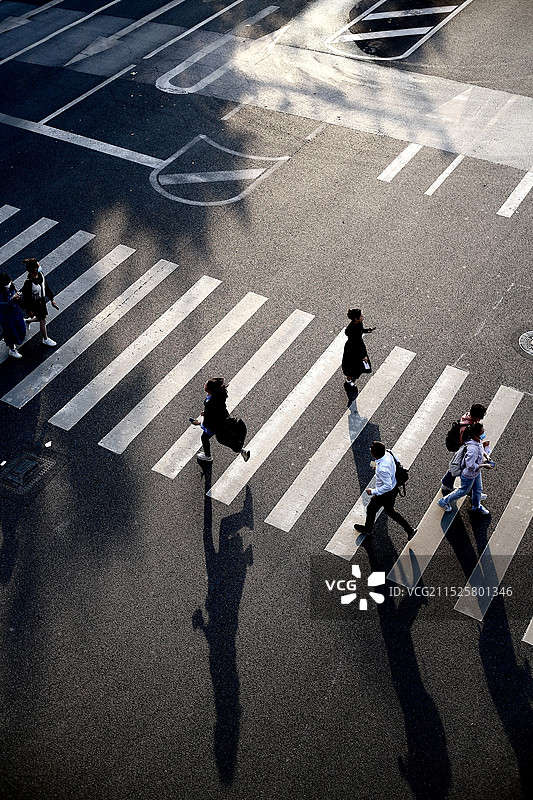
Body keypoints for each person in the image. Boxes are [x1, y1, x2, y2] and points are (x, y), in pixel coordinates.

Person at [353, 441, 416, 537]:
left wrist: (373, 491)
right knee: (390, 511)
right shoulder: (388, 453)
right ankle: (409, 530)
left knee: (371, 509)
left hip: (385, 494)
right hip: (394, 489)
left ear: (374, 454)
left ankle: (368, 529)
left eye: (371, 450)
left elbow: (388, 486)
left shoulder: (382, 469)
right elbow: (397, 462)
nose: (370, 450)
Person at [437, 422, 493, 515]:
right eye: (482, 432)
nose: (483, 434)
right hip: (468, 474)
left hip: (476, 472)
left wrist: (486, 456)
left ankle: (477, 506)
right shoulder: (472, 449)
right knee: (462, 492)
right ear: (476, 435)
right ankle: (443, 501)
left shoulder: (476, 441)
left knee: (478, 489)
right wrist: (484, 465)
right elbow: (470, 466)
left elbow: (481, 449)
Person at [191, 378, 250, 463]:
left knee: (204, 437)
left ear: (209, 389)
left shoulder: (210, 403)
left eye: (206, 384)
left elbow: (207, 423)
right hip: (222, 419)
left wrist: (199, 423)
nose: (204, 385)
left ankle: (207, 456)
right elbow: (216, 410)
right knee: (228, 437)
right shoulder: (218, 396)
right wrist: (206, 412)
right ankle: (241, 450)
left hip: (215, 424)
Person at [441, 403, 490, 492]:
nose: (480, 419)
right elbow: (467, 441)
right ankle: (473, 492)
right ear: (476, 416)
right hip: (464, 449)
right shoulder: (468, 427)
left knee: (456, 465)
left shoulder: (468, 417)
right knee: (464, 468)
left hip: (464, 448)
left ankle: (446, 483)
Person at [21, 258, 58, 347]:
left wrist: (52, 299)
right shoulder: (28, 283)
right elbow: (27, 298)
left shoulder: (41, 275)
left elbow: (46, 286)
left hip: (42, 301)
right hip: (35, 303)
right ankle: (45, 338)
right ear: (34, 270)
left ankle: (27, 321)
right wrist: (29, 310)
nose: (40, 267)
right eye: (38, 266)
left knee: (42, 317)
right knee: (43, 320)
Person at [341, 308, 375, 387]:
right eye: (361, 316)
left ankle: (351, 377)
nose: (363, 316)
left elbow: (360, 330)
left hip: (356, 347)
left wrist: (367, 330)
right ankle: (349, 380)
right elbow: (357, 345)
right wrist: (363, 356)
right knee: (352, 366)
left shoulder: (357, 323)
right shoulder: (354, 330)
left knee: (356, 366)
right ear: (356, 319)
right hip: (353, 349)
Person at [0, 272, 26, 358]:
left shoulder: (11, 287)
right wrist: (12, 299)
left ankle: (13, 343)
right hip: (7, 316)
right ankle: (12, 349)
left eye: (9, 282)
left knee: (20, 328)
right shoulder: (1, 293)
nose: (8, 284)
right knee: (10, 332)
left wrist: (18, 297)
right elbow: (2, 305)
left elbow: (16, 294)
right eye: (6, 284)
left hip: (15, 312)